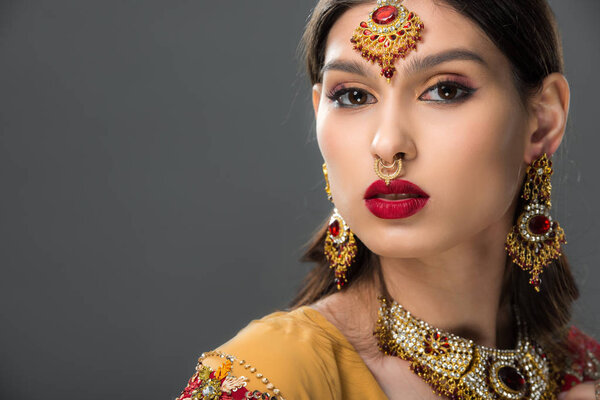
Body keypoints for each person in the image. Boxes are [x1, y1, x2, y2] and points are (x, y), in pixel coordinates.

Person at [175, 0, 600, 399]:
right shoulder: (272, 375)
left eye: (444, 91)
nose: (387, 144)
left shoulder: (581, 367)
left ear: (543, 121)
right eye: (353, 96)